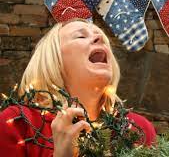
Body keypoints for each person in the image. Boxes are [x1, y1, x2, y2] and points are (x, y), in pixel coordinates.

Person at [0, 18, 156, 157]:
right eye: (81, 36)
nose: (100, 37)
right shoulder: (17, 123)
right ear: (54, 60)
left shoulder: (139, 128)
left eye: (102, 38)